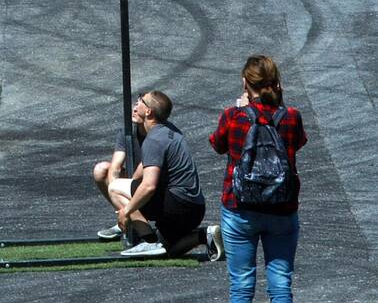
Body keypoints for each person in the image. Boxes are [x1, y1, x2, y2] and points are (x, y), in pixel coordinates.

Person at [210, 55, 307, 303]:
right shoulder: (292, 116)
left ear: (245, 83)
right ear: (277, 83)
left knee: (241, 285)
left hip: (239, 206)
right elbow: (298, 143)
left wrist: (241, 108)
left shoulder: (234, 115)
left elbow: (218, 145)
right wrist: (279, 103)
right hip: (282, 207)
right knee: (281, 282)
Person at [108, 90, 209, 258]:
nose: (137, 102)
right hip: (196, 208)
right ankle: (204, 235)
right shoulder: (171, 130)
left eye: (141, 101)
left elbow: (149, 186)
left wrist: (127, 210)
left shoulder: (154, 139)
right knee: (168, 252)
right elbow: (144, 169)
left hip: (177, 206)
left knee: (115, 187)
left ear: (148, 112)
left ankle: (148, 241)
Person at [92, 108, 145, 241]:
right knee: (101, 170)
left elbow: (147, 170)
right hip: (135, 181)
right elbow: (115, 167)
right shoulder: (127, 132)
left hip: (154, 183)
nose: (134, 109)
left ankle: (140, 227)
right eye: (135, 104)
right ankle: (126, 221)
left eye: (140, 105)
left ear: (150, 111)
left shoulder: (159, 134)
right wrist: (116, 195)